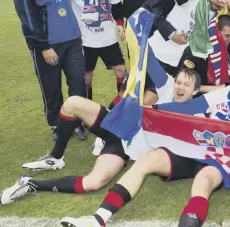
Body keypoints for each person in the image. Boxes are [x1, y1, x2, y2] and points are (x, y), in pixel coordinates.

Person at [57, 60, 230, 227]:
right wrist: (150, 111)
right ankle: (99, 218)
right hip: (196, 149)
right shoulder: (223, 93)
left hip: (225, 159)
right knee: (148, 160)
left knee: (202, 183)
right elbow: (186, 108)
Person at [0, 69, 201, 206]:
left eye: (187, 85)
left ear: (196, 91)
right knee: (72, 103)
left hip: (124, 148)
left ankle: (30, 183)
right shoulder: (165, 89)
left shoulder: (197, 117)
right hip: (119, 127)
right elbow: (152, 63)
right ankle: (56, 157)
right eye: (179, 82)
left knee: (93, 183)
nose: (180, 87)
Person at [13, 0, 86, 141]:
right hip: (47, 46)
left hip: (71, 41)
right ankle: (57, 124)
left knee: (78, 83)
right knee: (51, 88)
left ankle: (78, 121)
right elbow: (27, 19)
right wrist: (43, 46)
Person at [64, 0, 127, 101]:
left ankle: (121, 108)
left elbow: (116, 3)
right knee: (86, 77)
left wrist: (119, 23)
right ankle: (88, 113)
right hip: (85, 39)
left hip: (108, 36)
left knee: (121, 70)